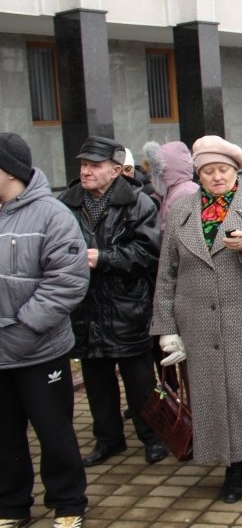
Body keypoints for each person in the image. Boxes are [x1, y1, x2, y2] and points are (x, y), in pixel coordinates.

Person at [151, 135, 242, 504]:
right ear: (198, 175)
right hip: (198, 324)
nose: (217, 177)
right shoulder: (182, 210)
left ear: (235, 171)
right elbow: (167, 274)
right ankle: (234, 467)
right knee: (214, 397)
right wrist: (167, 329)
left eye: (223, 170)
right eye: (208, 171)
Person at [58, 136, 166, 468]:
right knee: (97, 382)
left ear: (116, 170)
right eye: (83, 164)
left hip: (127, 307)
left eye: (94, 165)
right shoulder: (67, 203)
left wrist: (103, 258)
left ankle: (154, 436)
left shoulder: (138, 202)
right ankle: (108, 440)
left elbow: (149, 253)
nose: (85, 171)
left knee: (140, 382)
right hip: (85, 309)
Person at [0, 133, 90, 528]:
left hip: (39, 349)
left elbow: (66, 282)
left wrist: (22, 332)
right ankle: (11, 505)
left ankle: (68, 503)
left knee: (54, 432)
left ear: (9, 171)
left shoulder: (52, 215)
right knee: (5, 435)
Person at [141, 140, 200, 233]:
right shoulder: (171, 191)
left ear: (165, 171)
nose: (151, 179)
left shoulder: (186, 191)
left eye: (154, 173)